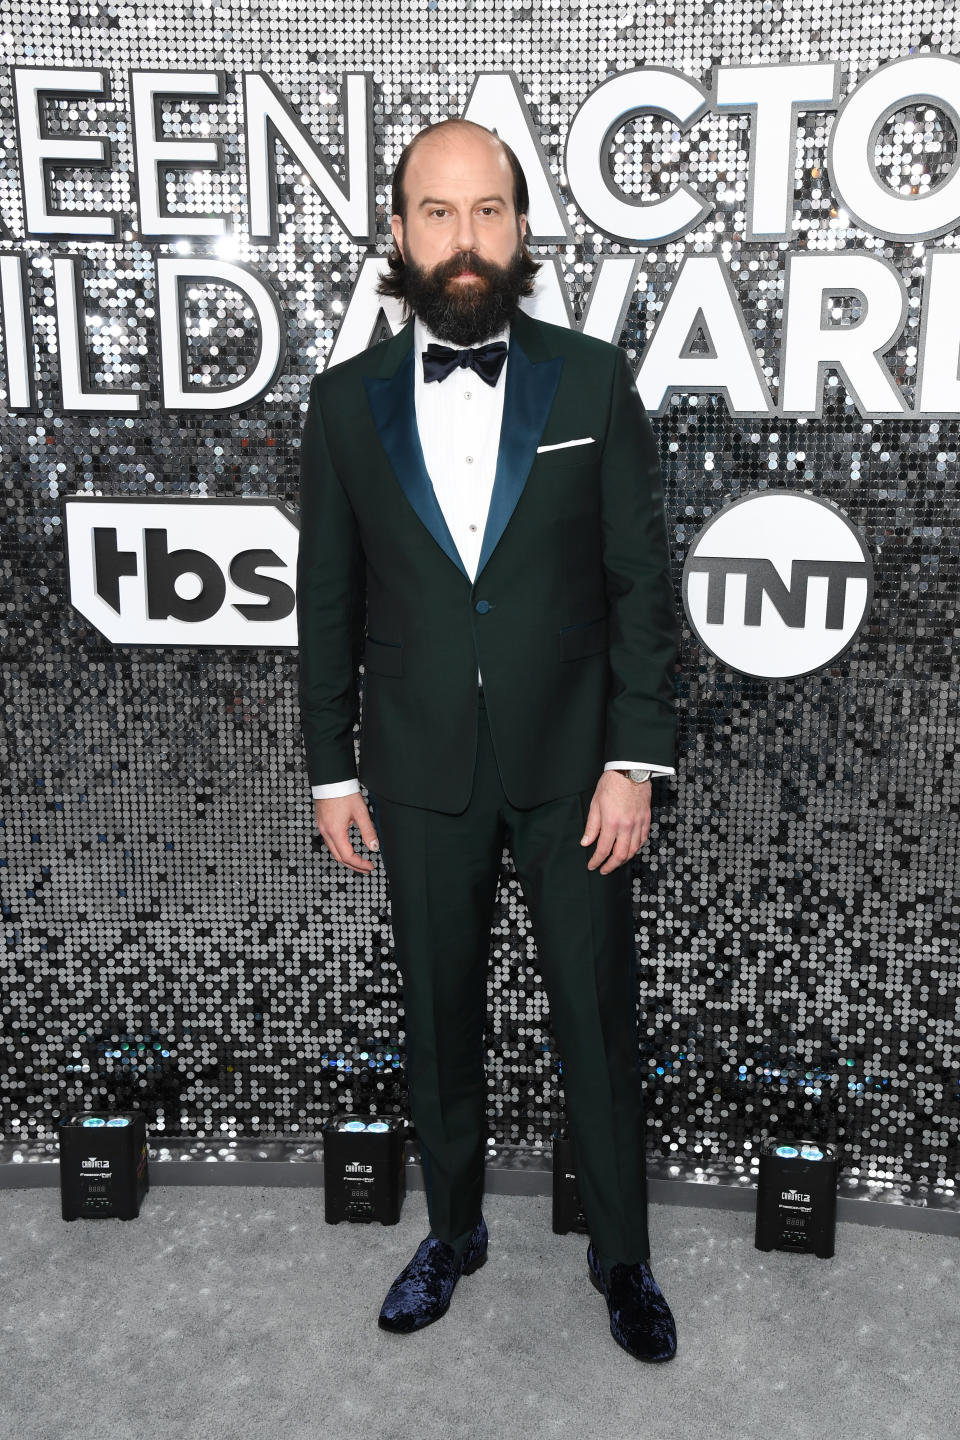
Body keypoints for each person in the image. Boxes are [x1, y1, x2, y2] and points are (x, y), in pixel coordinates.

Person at [296, 117, 680, 1363]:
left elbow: (639, 584)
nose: (466, 241)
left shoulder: (593, 378)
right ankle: (450, 1232)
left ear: (522, 231)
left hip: (578, 773)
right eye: (438, 213)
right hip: (414, 773)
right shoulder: (343, 405)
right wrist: (332, 769)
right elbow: (331, 603)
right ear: (397, 235)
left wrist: (635, 761)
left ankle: (621, 1256)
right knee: (437, 1017)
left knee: (595, 1019)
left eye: (490, 212)